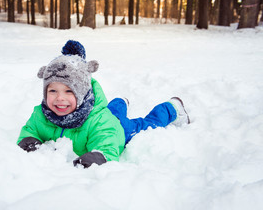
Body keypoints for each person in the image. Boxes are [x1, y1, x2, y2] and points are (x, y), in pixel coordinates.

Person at [17, 40, 190, 168]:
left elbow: (107, 142)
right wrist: (29, 140)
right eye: (52, 91)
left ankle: (171, 108)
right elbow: (31, 129)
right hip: (108, 115)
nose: (59, 98)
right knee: (113, 110)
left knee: (147, 125)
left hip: (120, 129)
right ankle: (121, 102)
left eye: (69, 91)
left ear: (83, 93)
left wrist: (99, 157)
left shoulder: (99, 121)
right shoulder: (42, 114)